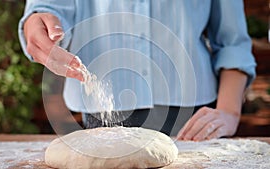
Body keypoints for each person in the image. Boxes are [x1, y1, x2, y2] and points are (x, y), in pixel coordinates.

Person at [19, 0, 256, 141]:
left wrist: (229, 111)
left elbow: (232, 42)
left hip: (196, 119)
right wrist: (38, 24)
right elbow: (47, 8)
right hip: (100, 112)